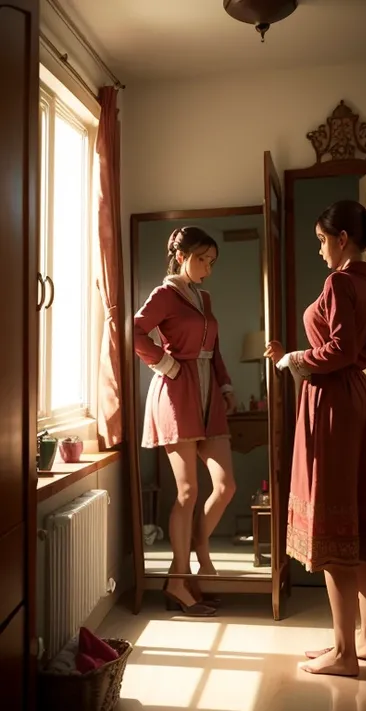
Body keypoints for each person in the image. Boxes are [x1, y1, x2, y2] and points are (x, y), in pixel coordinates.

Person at [264, 200, 366, 676]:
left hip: (335, 408)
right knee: (362, 518)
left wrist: (294, 360)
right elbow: (361, 351)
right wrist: (301, 355)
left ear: (342, 238)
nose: (320, 250)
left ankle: (345, 653)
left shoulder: (340, 281)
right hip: (360, 400)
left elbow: (340, 349)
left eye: (323, 240)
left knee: (335, 519)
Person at [134, 226, 237, 617]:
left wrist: (226, 385)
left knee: (226, 486)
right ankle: (180, 578)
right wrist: (164, 363)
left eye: (211, 262)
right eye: (201, 260)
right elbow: (133, 330)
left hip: (210, 396)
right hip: (177, 393)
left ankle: (198, 549)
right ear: (181, 257)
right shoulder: (164, 294)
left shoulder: (203, 297)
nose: (207, 269)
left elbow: (215, 348)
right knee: (188, 491)